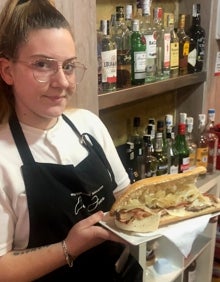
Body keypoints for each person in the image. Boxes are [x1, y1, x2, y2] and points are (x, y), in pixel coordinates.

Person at [0, 0, 133, 281]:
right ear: (7, 71)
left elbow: (125, 198)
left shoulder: (88, 124)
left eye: (69, 66)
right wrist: (69, 247)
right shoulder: (3, 156)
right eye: (42, 65)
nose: (62, 82)